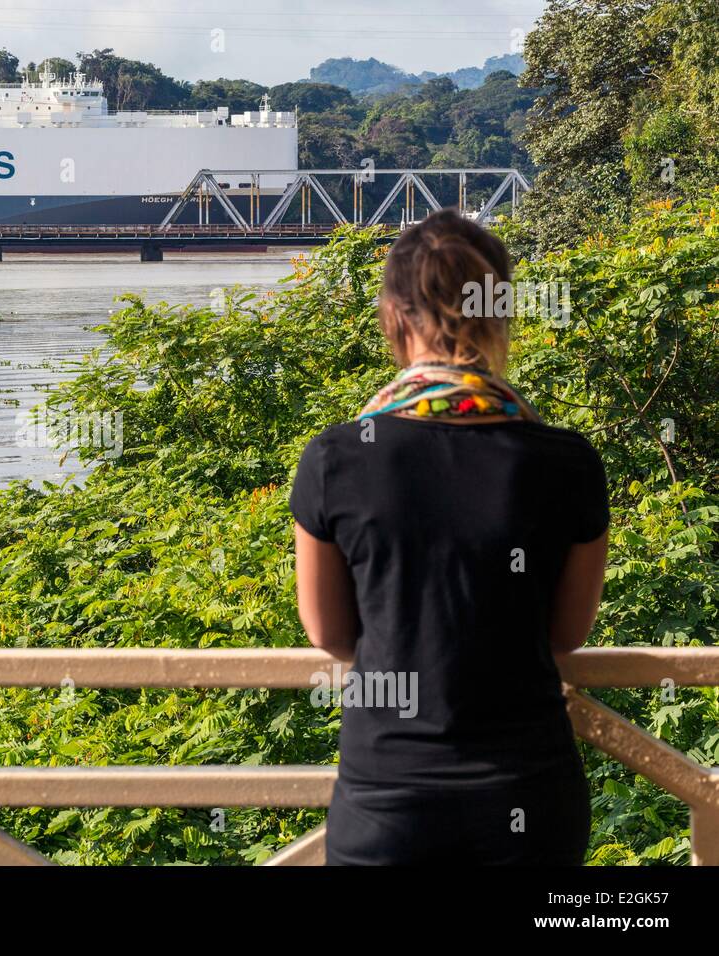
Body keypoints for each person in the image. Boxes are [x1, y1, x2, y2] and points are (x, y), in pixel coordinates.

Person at [289, 208, 609, 865]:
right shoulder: (565, 462)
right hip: (528, 799)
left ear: (394, 316)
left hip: (388, 802)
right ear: (499, 314)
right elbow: (566, 635)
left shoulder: (337, 460)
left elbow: (330, 635)